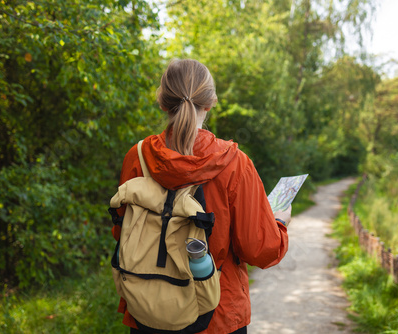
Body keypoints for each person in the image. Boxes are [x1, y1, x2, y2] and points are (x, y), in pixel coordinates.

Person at [111, 59, 291, 334]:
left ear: (162, 101)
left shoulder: (137, 157)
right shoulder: (235, 164)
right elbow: (259, 249)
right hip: (216, 315)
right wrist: (279, 222)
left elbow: (122, 231)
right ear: (211, 102)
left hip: (146, 308)